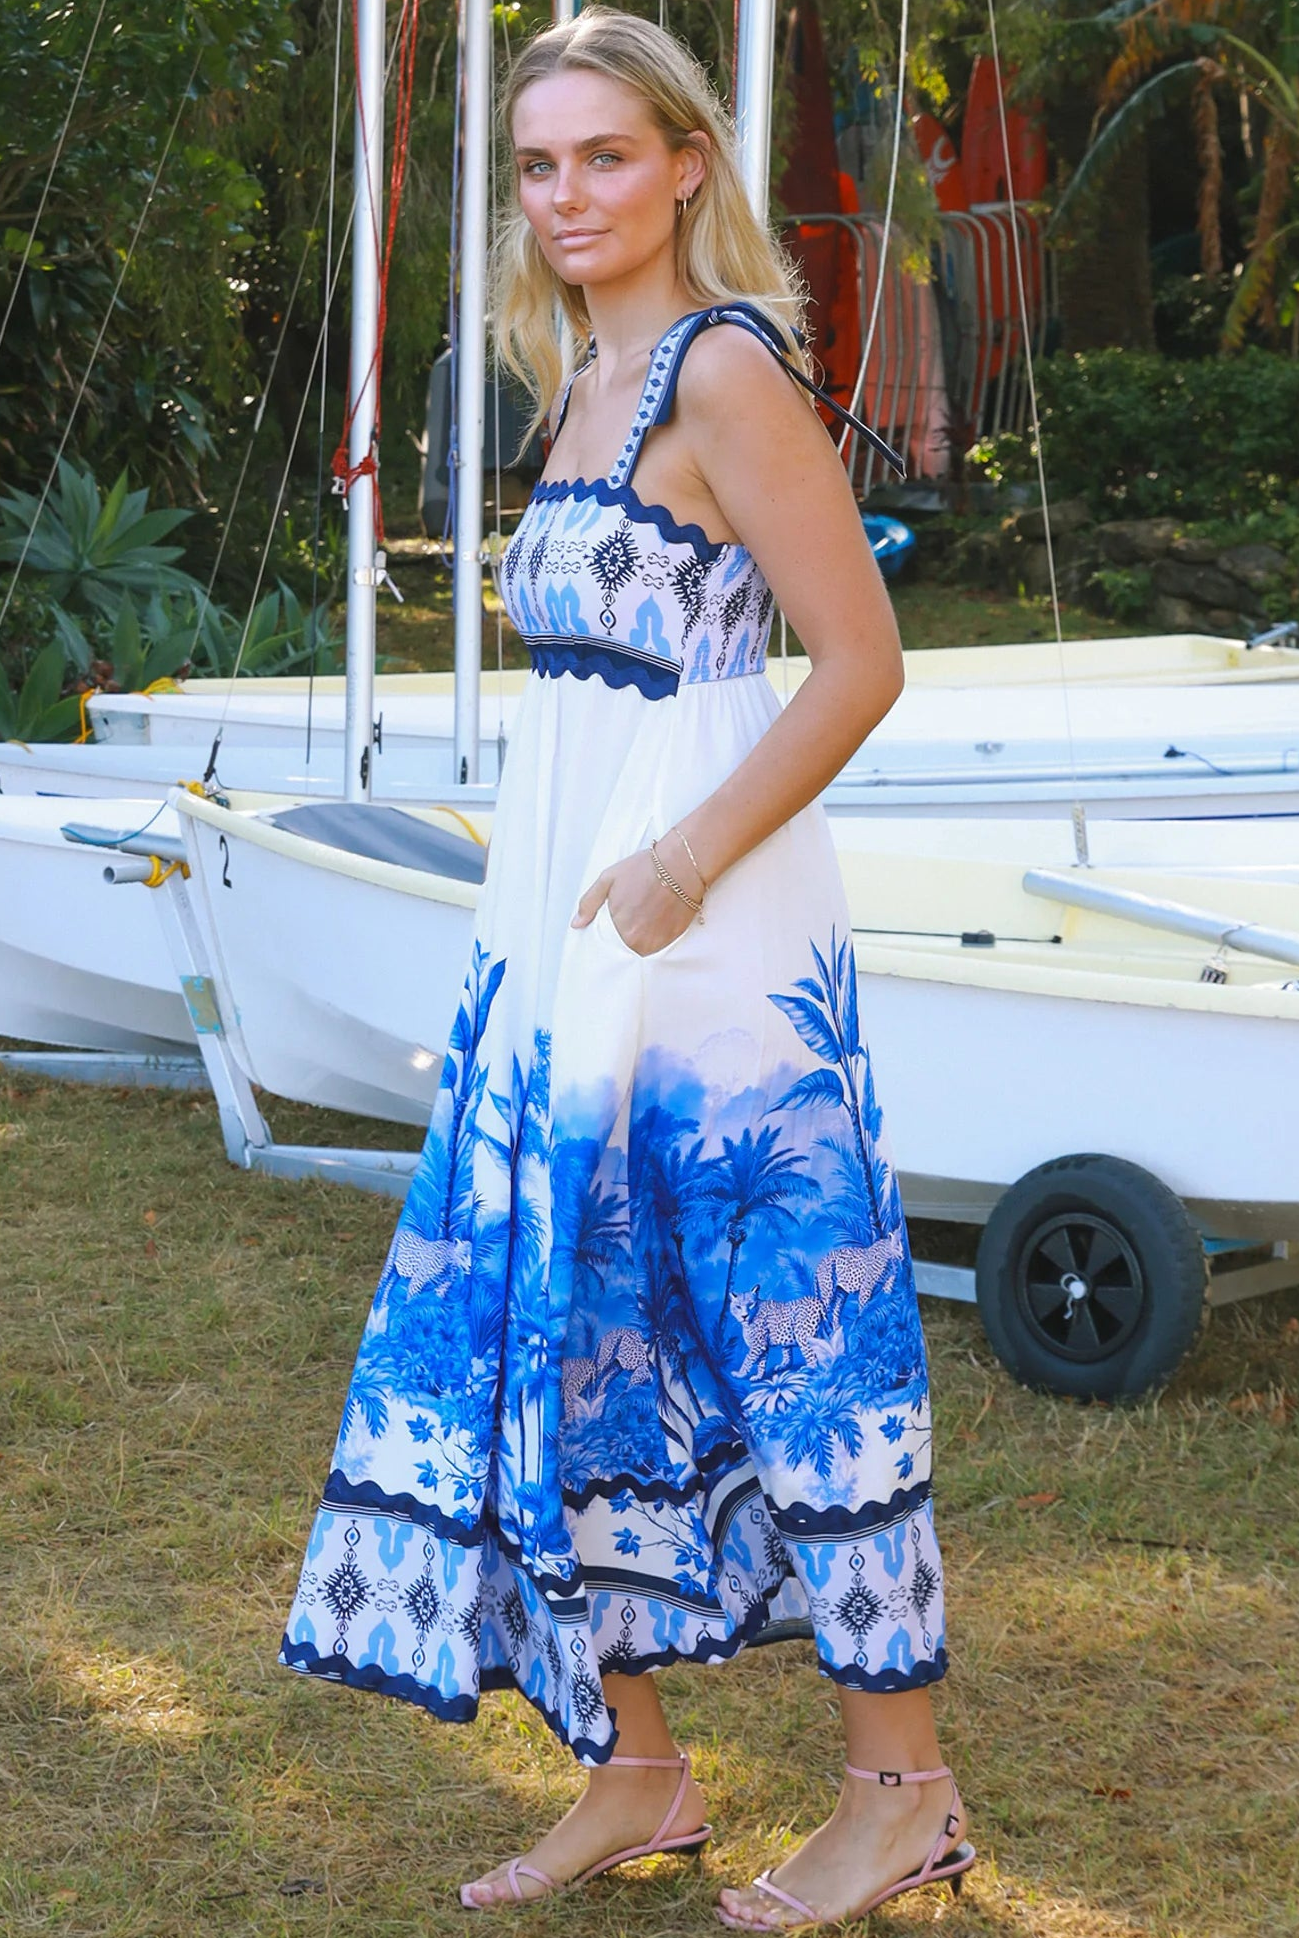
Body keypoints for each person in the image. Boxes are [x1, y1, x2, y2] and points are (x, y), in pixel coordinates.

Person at [278, 9, 973, 1929]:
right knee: (571, 1326)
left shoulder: (721, 368)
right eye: (534, 162)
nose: (564, 194)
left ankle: (898, 1789)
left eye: (603, 156)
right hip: (566, 937)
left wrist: (676, 859)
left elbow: (858, 661)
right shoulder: (573, 373)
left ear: (685, 166)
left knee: (792, 1329)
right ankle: (639, 1768)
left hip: (716, 937)